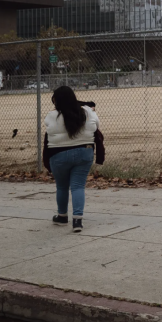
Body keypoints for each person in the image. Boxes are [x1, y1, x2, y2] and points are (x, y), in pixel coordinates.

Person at [43, 86, 100, 232]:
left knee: (62, 186)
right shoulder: (87, 112)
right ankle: (77, 221)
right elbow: (96, 126)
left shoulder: (51, 115)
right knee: (78, 186)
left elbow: (49, 129)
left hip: (58, 155)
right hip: (84, 152)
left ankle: (62, 216)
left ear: (56, 101)